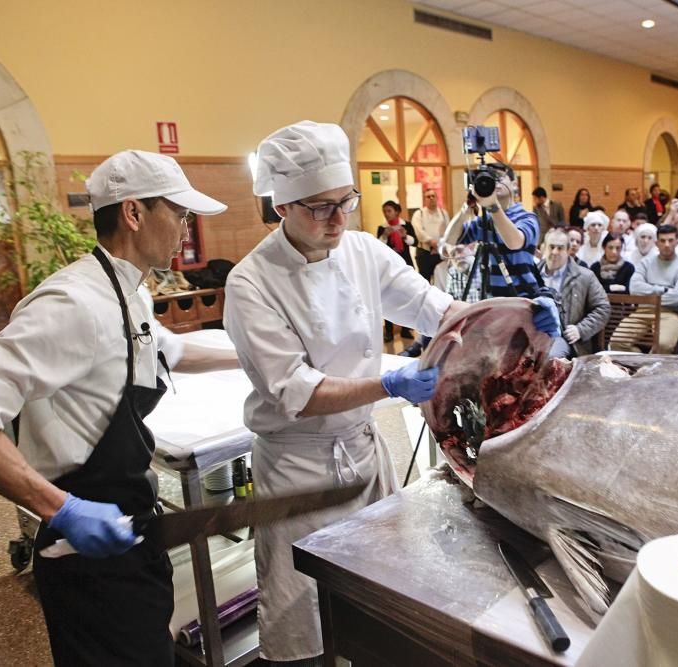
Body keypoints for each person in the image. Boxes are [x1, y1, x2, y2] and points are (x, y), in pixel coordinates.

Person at [227, 122, 552, 666]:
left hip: (362, 452)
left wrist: (521, 312)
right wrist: (386, 385)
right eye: (319, 208)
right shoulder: (251, 282)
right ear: (281, 205)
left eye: (346, 202)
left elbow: (437, 310)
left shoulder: (360, 251)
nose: (338, 219)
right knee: (301, 615)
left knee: (375, 604)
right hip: (297, 470)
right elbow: (295, 392)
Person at [0, 150, 230, 665]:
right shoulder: (75, 303)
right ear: (133, 214)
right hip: (85, 560)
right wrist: (60, 508)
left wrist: (252, 356)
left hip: (130, 536)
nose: (186, 226)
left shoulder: (126, 289)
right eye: (179, 213)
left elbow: (168, 350)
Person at [444, 161, 551, 300]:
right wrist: (467, 207)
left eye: (499, 177)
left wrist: (493, 206)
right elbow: (450, 239)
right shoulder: (485, 221)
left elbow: (514, 242)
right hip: (492, 300)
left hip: (522, 298)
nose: (495, 182)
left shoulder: (527, 218)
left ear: (514, 184)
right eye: (490, 179)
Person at [611, 224, 678, 354]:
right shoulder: (646, 263)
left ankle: (652, 370)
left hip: (671, 312)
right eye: (662, 241)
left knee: (664, 344)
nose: (666, 244)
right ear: (656, 243)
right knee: (616, 342)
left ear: (677, 242)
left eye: (670, 240)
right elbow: (634, 288)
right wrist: (664, 290)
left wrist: (650, 294)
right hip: (643, 310)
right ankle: (640, 364)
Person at [538, 228, 610, 358]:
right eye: (551, 247)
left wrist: (581, 329)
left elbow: (603, 308)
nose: (554, 252)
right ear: (543, 248)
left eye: (560, 248)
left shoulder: (585, 276)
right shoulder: (531, 275)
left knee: (550, 358)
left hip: (563, 338)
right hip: (533, 336)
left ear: (568, 251)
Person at [377, 200, 417, 341]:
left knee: (407, 296)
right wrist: (384, 236)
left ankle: (406, 329)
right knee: (387, 297)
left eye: (389, 211)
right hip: (388, 267)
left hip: (404, 264)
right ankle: (388, 331)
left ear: (396, 211)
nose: (386, 214)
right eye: (384, 211)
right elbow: (378, 247)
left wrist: (405, 236)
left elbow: (415, 242)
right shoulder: (382, 227)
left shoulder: (406, 225)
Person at [411, 187, 450, 282]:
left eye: (433, 196)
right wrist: (432, 243)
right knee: (425, 281)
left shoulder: (443, 213)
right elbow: (419, 232)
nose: (431, 198)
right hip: (425, 253)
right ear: (424, 200)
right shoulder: (418, 214)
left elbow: (448, 232)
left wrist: (440, 246)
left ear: (437, 198)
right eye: (428, 197)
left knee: (441, 279)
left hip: (440, 252)